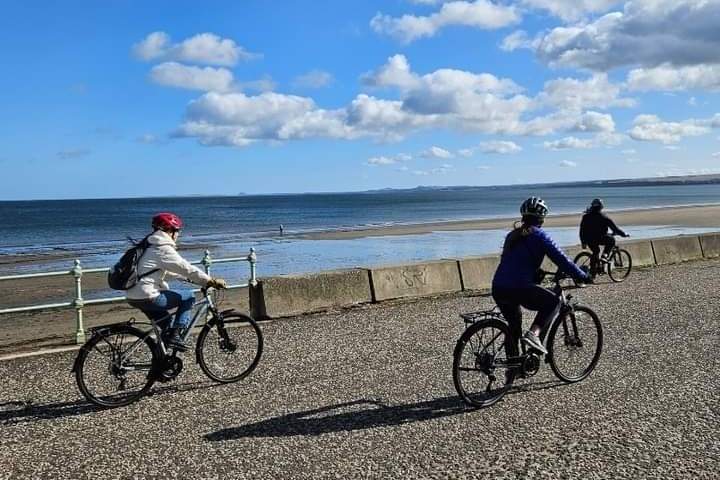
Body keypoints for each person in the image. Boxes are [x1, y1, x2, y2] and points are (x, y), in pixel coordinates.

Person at [492, 197, 591, 357]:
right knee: (553, 302)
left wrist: (535, 272)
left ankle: (513, 369)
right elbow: (562, 259)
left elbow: (512, 262)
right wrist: (581, 275)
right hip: (519, 287)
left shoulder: (513, 235)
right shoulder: (539, 235)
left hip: (499, 288)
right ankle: (534, 333)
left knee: (514, 328)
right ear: (542, 218)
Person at [126, 212, 227, 351]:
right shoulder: (162, 248)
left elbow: (171, 271)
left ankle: (160, 364)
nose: (178, 234)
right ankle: (175, 337)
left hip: (134, 295)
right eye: (177, 231)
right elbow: (185, 267)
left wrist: (193, 280)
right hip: (148, 296)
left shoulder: (148, 246)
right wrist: (210, 280)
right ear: (169, 230)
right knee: (189, 296)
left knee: (167, 327)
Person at [580, 198, 629, 272]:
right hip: (600, 238)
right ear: (601, 207)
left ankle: (593, 273)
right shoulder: (604, 217)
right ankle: (605, 255)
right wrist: (623, 234)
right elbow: (615, 229)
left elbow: (582, 231)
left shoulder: (586, 217)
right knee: (611, 240)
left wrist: (583, 242)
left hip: (589, 239)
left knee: (596, 251)